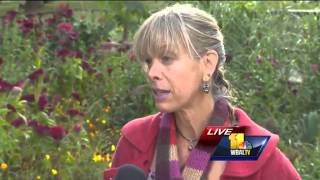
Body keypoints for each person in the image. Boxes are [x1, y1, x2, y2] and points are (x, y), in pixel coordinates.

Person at [104, 3, 301, 180]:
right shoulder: (138, 137)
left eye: (166, 59)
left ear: (207, 64)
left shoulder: (246, 145)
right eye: (148, 61)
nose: (152, 72)